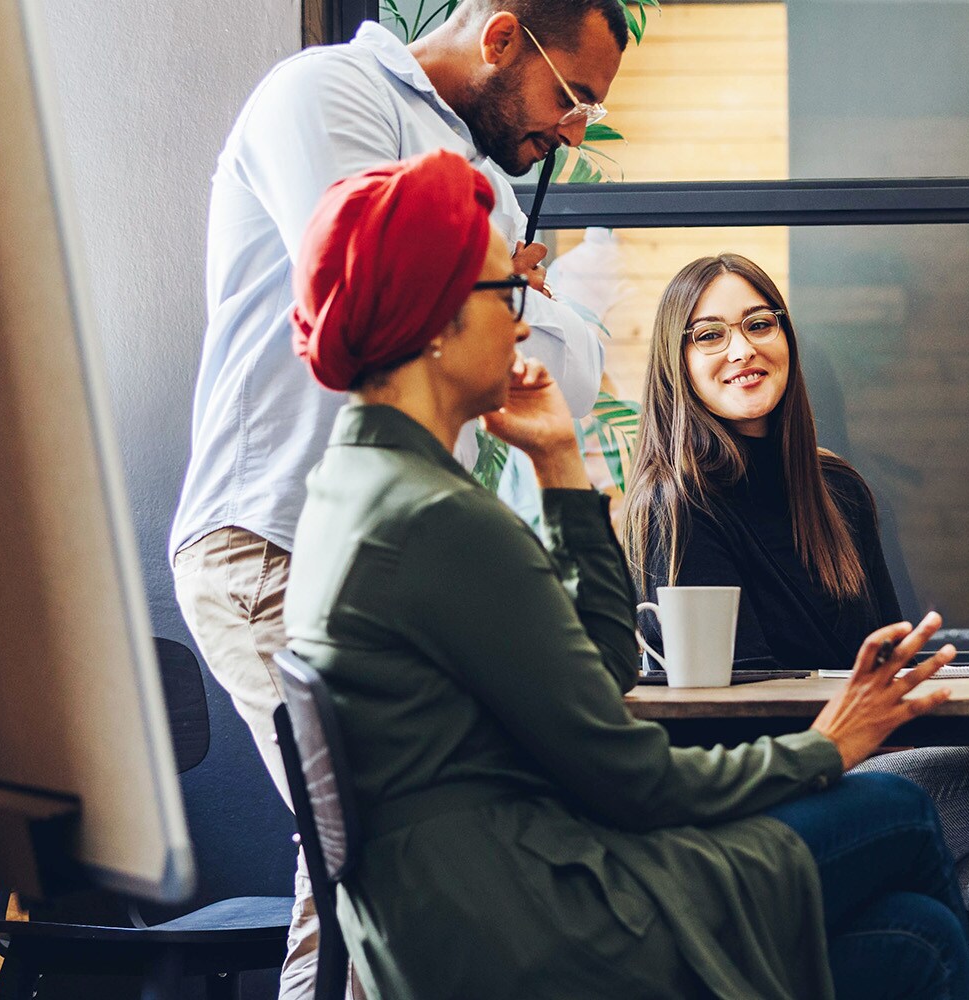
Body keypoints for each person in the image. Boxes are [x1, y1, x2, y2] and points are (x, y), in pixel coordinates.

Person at [279, 151, 969, 1000]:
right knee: (898, 814)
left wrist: (560, 465)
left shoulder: (357, 490)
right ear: (434, 321)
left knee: (920, 938)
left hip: (453, 922)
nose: (525, 320)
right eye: (508, 293)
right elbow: (632, 777)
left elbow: (606, 668)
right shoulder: (437, 521)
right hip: (543, 920)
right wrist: (825, 747)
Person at [169, 3, 628, 993]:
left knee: (404, 844)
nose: (577, 129)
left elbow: (565, 372)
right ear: (503, 37)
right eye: (574, 94)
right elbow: (372, 293)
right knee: (368, 840)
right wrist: (517, 299)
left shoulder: (484, 191)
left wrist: (514, 302)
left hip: (389, 563)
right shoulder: (328, 95)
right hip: (275, 539)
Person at [626, 254, 969, 1000]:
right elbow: (731, 717)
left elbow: (894, 672)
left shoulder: (836, 490)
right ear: (676, 365)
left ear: (787, 335)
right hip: (775, 796)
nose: (741, 349)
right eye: (708, 335)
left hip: (871, 769)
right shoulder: (678, 503)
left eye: (759, 324)